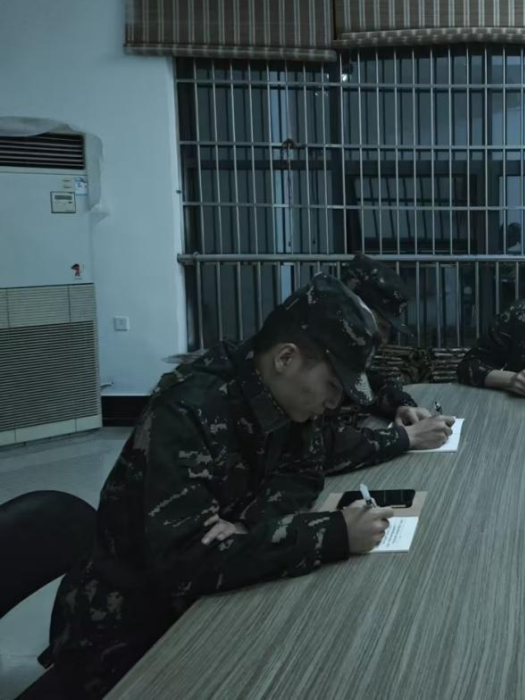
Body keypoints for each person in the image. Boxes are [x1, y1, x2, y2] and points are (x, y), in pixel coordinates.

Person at [49, 275, 396, 699]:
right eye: (332, 386)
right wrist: (334, 533)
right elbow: (187, 562)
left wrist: (248, 525)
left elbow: (304, 471)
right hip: (127, 633)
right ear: (286, 358)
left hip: (205, 602)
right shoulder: (186, 410)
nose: (334, 403)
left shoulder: (286, 398)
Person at [324, 254, 455, 471]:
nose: (383, 340)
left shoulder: (340, 352)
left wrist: (402, 406)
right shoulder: (314, 352)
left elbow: (372, 384)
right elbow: (316, 447)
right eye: (380, 326)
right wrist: (407, 437)